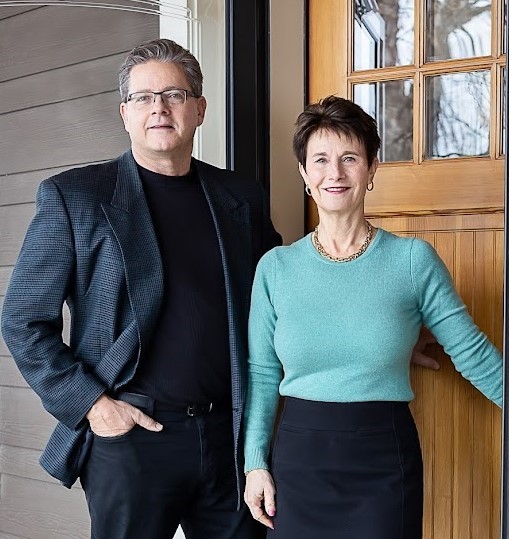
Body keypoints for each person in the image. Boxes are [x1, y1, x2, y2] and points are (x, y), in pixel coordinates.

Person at [1, 38, 281, 539]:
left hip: (228, 436)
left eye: (174, 94)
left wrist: (373, 331)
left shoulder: (241, 198)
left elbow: (284, 294)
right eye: (144, 97)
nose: (159, 107)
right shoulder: (75, 197)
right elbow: (23, 319)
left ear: (199, 109)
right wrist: (92, 404)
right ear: (125, 113)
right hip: (132, 438)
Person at [242, 96, 503, 539]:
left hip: (383, 461)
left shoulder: (412, 261)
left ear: (372, 168)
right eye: (320, 160)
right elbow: (263, 374)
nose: (335, 173)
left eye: (350, 158)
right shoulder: (275, 268)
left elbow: (472, 351)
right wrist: (254, 464)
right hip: (298, 463)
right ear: (305, 174)